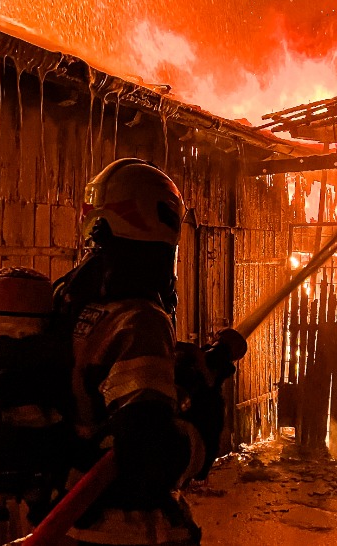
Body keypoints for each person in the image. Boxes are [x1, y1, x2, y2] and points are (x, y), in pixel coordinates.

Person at [52, 158, 243, 546]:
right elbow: (152, 460)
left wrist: (181, 371)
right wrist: (204, 414)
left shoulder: (73, 302)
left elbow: (107, 388)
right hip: (128, 530)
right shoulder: (140, 320)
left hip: (73, 518)